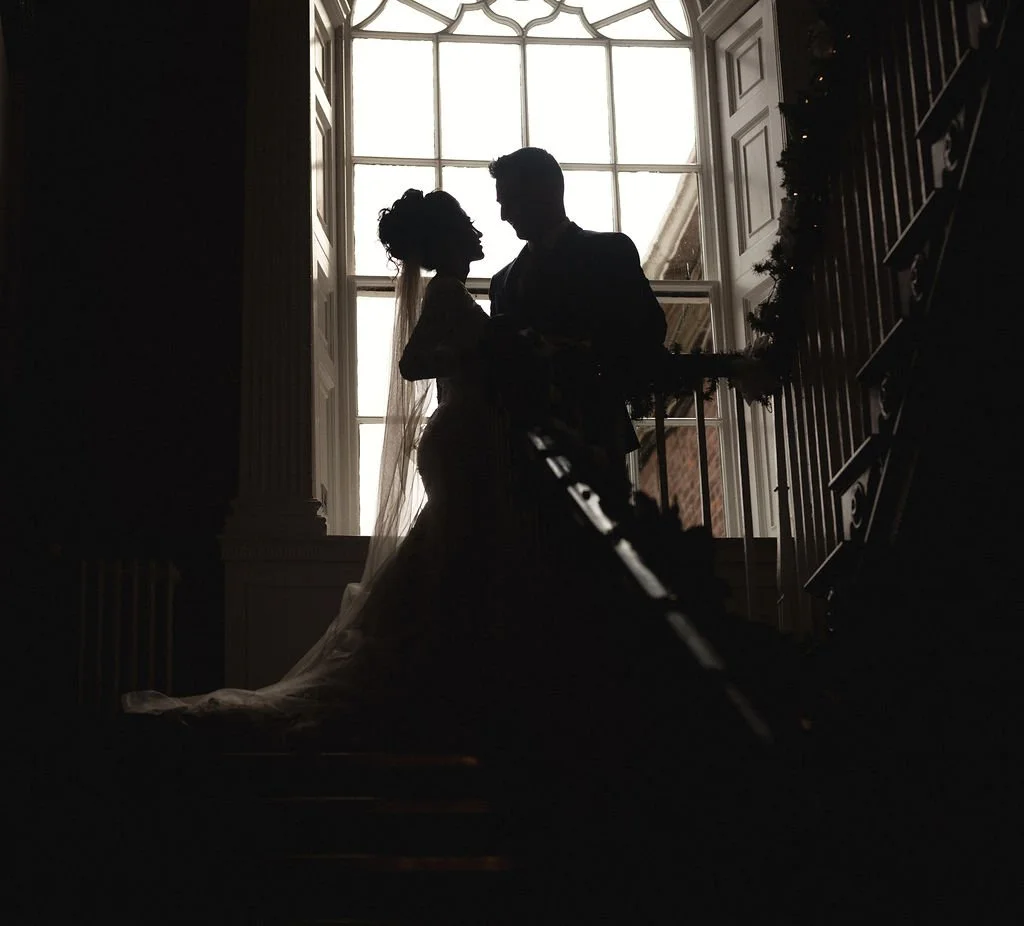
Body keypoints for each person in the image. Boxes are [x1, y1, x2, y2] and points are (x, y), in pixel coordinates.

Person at [121, 189, 530, 748]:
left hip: (467, 443)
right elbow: (414, 362)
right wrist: (474, 355)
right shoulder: (447, 292)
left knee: (447, 567)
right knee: (456, 564)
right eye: (464, 224)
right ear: (446, 239)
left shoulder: (451, 292)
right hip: (462, 444)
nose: (476, 230)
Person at [488, 147, 667, 477]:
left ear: (545, 191)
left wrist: (582, 351)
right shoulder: (502, 283)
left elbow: (650, 330)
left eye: (510, 200)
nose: (503, 215)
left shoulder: (609, 252)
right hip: (521, 450)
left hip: (594, 432)